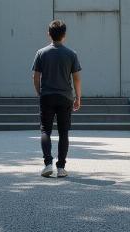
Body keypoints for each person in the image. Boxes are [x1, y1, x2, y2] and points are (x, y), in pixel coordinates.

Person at [31, 19, 82, 178]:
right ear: (64, 35)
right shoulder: (71, 54)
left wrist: (40, 93)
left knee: (45, 130)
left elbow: (36, 76)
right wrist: (78, 97)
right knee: (63, 132)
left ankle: (47, 164)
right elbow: (76, 79)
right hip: (65, 97)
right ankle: (61, 168)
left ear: (49, 34)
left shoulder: (41, 52)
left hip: (47, 96)